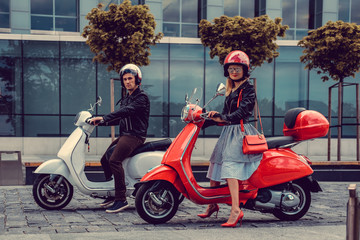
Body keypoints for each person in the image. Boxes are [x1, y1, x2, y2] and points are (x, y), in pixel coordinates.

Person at [198, 50, 263, 227]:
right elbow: (225, 114)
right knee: (215, 163)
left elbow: (241, 112)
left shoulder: (248, 89)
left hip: (240, 131)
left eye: (237, 68)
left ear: (245, 69)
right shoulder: (230, 88)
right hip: (228, 131)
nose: (234, 71)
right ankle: (212, 204)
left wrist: (222, 117)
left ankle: (236, 209)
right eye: (231, 68)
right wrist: (203, 120)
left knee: (230, 166)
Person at [89, 64, 150, 213]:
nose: (128, 81)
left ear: (137, 80)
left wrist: (104, 117)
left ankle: (121, 199)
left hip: (135, 136)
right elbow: (120, 119)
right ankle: (111, 193)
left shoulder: (141, 98)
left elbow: (125, 112)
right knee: (104, 159)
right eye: (125, 79)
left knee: (114, 161)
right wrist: (101, 122)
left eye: (130, 78)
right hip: (125, 135)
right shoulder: (126, 98)